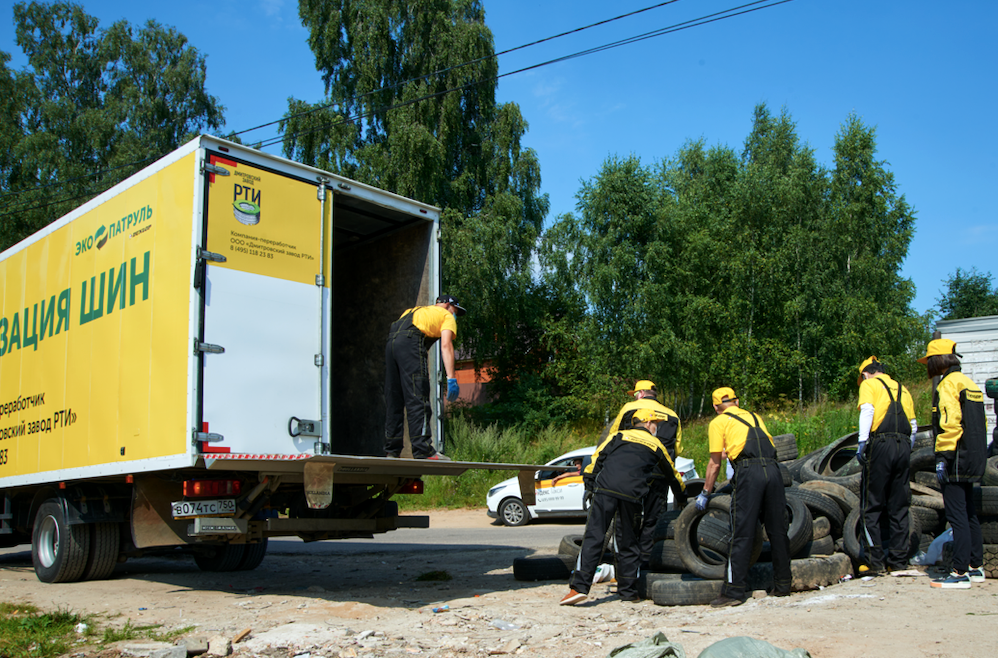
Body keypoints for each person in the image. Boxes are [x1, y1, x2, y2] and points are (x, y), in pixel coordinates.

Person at [560, 408, 681, 605]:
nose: (656, 428)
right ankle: (629, 592)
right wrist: (682, 496)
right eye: (656, 424)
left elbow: (595, 460)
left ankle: (578, 588)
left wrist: (591, 486)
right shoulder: (656, 444)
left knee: (594, 536)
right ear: (648, 424)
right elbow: (673, 475)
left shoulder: (617, 436)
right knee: (628, 541)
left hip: (605, 490)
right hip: (632, 496)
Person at [698, 387, 791, 606]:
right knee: (778, 530)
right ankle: (783, 584)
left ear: (715, 407)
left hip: (749, 473)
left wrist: (705, 492)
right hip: (774, 471)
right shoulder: (754, 416)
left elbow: (715, 462)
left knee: (742, 531)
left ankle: (733, 592)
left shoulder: (718, 422)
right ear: (736, 402)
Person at [592, 380, 685, 568]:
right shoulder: (673, 415)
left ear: (641, 393)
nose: (634, 397)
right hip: (660, 475)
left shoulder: (629, 408)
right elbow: (678, 448)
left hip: (632, 475)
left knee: (626, 524)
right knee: (653, 522)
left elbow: (612, 438)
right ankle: (645, 568)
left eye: (635, 393)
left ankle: (624, 571)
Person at [919, 339, 987, 588]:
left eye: (929, 361)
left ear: (938, 360)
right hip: (974, 456)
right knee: (969, 513)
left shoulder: (948, 384)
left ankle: (959, 574)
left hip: (956, 457)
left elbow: (951, 424)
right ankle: (975, 566)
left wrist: (943, 458)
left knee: (957, 516)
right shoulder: (969, 383)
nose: (928, 366)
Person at [854, 356, 918, 575]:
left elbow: (868, 411)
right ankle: (899, 561)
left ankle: (874, 563)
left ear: (865, 374)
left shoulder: (869, 385)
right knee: (899, 505)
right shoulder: (903, 389)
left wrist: (862, 442)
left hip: (881, 444)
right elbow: (914, 425)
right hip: (903, 445)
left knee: (871, 505)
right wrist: (906, 448)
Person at [383, 294, 466, 460]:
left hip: (391, 343)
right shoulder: (446, 316)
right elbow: (446, 345)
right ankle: (423, 450)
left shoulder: (413, 311)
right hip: (411, 342)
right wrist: (451, 378)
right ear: (449, 306)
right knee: (417, 395)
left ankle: (392, 451)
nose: (455, 314)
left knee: (395, 398)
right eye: (456, 310)